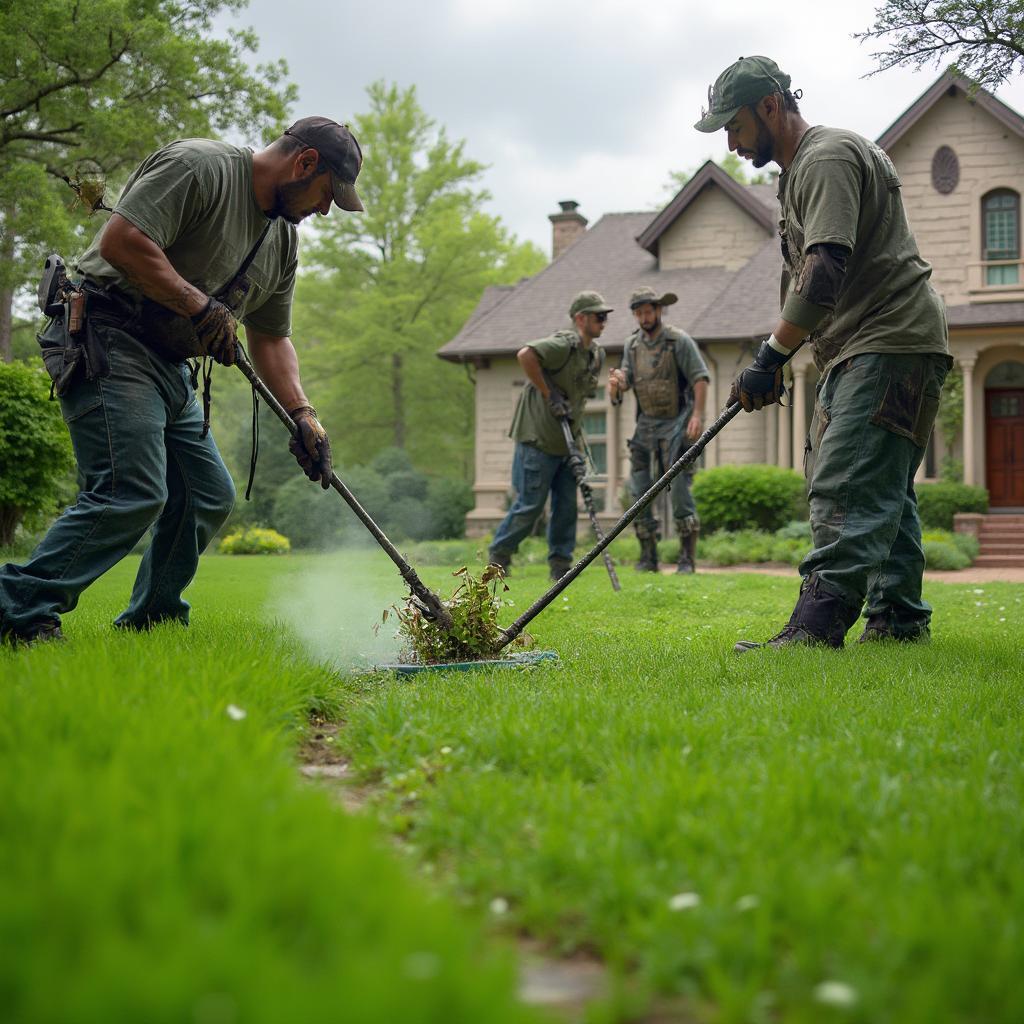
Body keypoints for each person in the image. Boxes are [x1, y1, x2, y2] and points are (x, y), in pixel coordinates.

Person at [0, 117, 363, 646]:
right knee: (133, 488)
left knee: (207, 492)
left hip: (169, 363)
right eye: (328, 193)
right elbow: (122, 241)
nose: (325, 209)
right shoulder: (200, 167)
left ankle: (153, 619)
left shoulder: (282, 239)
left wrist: (304, 413)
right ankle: (19, 607)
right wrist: (199, 304)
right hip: (107, 332)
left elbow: (270, 338)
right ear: (305, 163)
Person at [694, 56, 951, 650]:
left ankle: (814, 631)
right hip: (872, 343)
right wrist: (784, 354)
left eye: (733, 126)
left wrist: (769, 356)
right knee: (886, 488)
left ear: (769, 106)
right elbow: (809, 282)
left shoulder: (826, 157)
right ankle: (898, 621)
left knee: (846, 483)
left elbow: (825, 267)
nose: (730, 142)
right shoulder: (800, 172)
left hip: (887, 340)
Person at [488, 291, 610, 581]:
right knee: (530, 506)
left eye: (605, 317)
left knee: (567, 506)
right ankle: (498, 559)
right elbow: (525, 355)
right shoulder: (562, 344)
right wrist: (549, 393)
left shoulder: (595, 355)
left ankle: (560, 567)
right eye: (598, 316)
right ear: (581, 319)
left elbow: (579, 401)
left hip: (568, 443)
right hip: (538, 439)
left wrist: (579, 448)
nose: (604, 322)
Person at [608, 286, 709, 574]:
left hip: (678, 422)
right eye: (638, 313)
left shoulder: (679, 341)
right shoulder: (631, 346)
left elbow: (701, 378)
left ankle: (686, 559)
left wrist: (697, 416)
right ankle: (648, 557)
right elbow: (627, 378)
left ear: (658, 310)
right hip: (646, 425)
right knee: (639, 489)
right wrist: (617, 382)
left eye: (648, 311)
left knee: (679, 490)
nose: (644, 317)